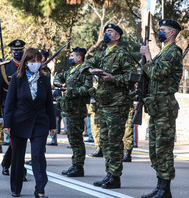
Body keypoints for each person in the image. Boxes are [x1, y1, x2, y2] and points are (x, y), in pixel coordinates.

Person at [83, 23, 136, 189]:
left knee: (114, 141)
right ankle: (109, 174)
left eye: (110, 32)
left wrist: (113, 78)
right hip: (104, 103)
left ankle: (115, 176)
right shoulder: (103, 53)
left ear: (117, 37)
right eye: (106, 31)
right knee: (105, 141)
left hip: (117, 104)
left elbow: (132, 77)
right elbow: (85, 63)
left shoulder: (122, 54)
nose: (106, 34)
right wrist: (91, 70)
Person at [3, 48, 57, 198]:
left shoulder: (45, 79)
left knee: (38, 155)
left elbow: (48, 104)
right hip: (19, 122)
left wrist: (53, 125)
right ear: (25, 62)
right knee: (17, 156)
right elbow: (10, 103)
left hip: (39, 122)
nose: (35, 64)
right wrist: (7, 124)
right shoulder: (17, 78)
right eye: (32, 61)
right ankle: (15, 187)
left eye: (38, 61)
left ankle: (40, 189)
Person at [140, 19, 182, 198]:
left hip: (165, 106)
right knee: (154, 149)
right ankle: (159, 186)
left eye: (163, 29)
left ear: (172, 33)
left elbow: (157, 73)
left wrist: (148, 56)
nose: (160, 32)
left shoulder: (173, 51)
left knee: (164, 149)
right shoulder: (164, 51)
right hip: (156, 106)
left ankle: (166, 190)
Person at [54, 47, 92, 177]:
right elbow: (59, 76)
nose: (70, 58)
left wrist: (72, 91)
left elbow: (87, 88)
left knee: (76, 139)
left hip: (77, 109)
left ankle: (79, 166)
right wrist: (58, 82)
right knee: (72, 138)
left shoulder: (84, 71)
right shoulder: (71, 71)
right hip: (69, 109)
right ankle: (75, 164)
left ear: (79, 58)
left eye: (72, 56)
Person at [0, 39, 27, 179]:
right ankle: (20, 170)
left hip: (25, 109)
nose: (18, 53)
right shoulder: (3, 68)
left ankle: (6, 163)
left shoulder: (28, 66)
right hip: (9, 109)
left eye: (20, 51)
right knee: (16, 140)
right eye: (16, 51)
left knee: (19, 140)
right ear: (11, 51)